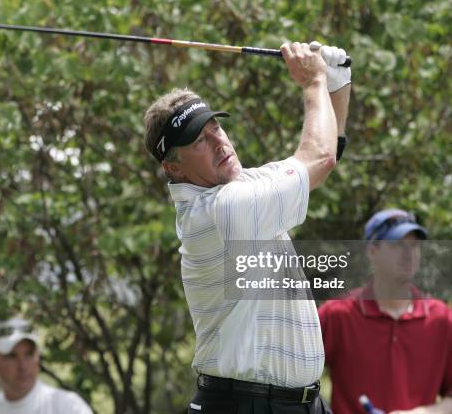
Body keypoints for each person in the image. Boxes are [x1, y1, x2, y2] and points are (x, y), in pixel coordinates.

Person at [144, 41, 351, 413]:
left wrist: (336, 83)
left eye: (216, 127)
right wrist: (312, 82)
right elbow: (317, 158)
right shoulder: (224, 210)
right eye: (199, 141)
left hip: (298, 404)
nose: (218, 142)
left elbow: (326, 151)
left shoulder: (242, 188)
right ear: (173, 168)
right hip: (244, 404)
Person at [318, 209, 452, 414]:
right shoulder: (337, 314)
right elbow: (293, 385)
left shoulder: (443, 319)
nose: (409, 254)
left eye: (414, 245)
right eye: (397, 245)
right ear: (372, 251)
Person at [0, 317, 92, 414]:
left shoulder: (68, 406)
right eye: (12, 356)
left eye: (29, 354)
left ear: (37, 356)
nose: (23, 365)